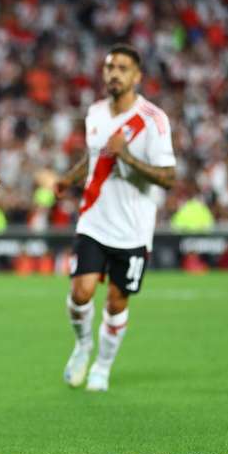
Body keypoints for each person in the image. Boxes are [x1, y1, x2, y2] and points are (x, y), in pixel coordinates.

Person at [55, 44, 176, 393]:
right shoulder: (95, 113)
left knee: (116, 302)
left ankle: (103, 367)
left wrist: (129, 159)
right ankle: (82, 346)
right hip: (93, 219)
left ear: (137, 76)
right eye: (110, 67)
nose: (114, 73)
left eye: (123, 68)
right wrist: (69, 178)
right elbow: (94, 158)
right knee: (81, 292)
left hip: (134, 230)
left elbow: (169, 177)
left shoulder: (153, 120)